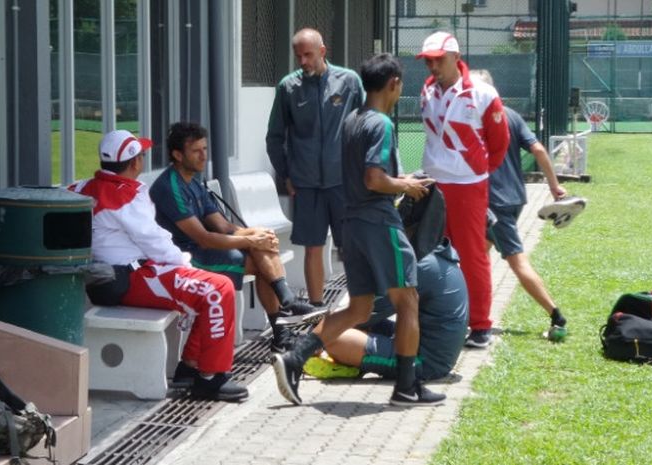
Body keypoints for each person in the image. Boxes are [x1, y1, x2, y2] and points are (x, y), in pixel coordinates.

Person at [271, 53, 445, 407]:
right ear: (394, 84)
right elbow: (374, 178)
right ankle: (407, 387)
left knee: (359, 310)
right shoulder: (381, 124)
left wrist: (400, 179)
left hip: (351, 225)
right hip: (377, 222)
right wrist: (406, 187)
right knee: (407, 300)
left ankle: (294, 358)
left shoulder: (351, 119)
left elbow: (368, 175)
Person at [70, 129, 248, 402]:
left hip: (113, 277)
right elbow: (153, 241)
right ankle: (211, 378)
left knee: (209, 288)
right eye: (141, 155)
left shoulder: (83, 187)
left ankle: (190, 368)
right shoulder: (124, 194)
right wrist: (184, 263)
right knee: (217, 289)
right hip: (128, 277)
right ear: (134, 163)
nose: (142, 159)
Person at [149, 122, 327, 353]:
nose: (204, 156)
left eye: (205, 149)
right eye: (196, 151)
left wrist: (257, 233)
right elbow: (204, 238)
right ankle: (284, 320)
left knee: (264, 252)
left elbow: (223, 226)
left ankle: (286, 312)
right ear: (177, 154)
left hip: (206, 248)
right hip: (185, 257)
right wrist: (252, 240)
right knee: (265, 264)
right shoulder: (169, 186)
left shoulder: (192, 181)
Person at [417, 32, 510, 348]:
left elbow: (499, 144)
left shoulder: (483, 93)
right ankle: (434, 319)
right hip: (432, 183)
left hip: (469, 186)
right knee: (429, 252)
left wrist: (475, 171)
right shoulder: (426, 91)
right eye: (428, 60)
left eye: (438, 60)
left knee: (471, 255)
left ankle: (481, 325)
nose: (432, 66)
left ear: (456, 58)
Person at [266, 28, 365, 307]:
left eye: (308, 55)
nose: (303, 61)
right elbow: (274, 138)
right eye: (299, 56)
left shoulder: (349, 81)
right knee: (313, 247)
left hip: (343, 181)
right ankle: (317, 307)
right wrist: (285, 175)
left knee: (352, 247)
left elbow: (365, 125)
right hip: (306, 183)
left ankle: (358, 304)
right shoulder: (288, 87)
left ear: (323, 51)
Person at [469, 69, 569, 333]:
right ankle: (471, 312)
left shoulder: (475, 118)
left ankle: (556, 315)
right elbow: (537, 148)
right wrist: (554, 186)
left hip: (494, 203)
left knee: (516, 261)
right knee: (477, 256)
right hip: (514, 199)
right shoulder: (510, 115)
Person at [304, 240, 468, 381]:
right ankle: (352, 358)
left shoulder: (420, 266)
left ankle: (349, 363)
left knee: (334, 338)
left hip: (424, 363)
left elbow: (367, 312)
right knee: (341, 325)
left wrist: (313, 341)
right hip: (430, 349)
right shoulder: (435, 256)